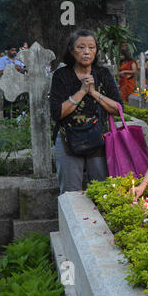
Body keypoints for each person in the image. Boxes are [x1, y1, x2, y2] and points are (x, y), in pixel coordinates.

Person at [50, 29, 123, 195]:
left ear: (96, 50)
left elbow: (118, 109)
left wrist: (93, 92)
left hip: (99, 139)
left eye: (91, 47)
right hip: (68, 138)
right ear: (71, 50)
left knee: (103, 192)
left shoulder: (102, 74)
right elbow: (57, 113)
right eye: (81, 47)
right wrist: (82, 90)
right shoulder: (61, 75)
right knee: (71, 194)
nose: (86, 52)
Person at [0, 45, 26, 118]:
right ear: (8, 51)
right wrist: (13, 68)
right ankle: (7, 120)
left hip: (18, 84)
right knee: (7, 103)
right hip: (7, 84)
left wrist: (20, 70)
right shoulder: (3, 60)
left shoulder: (18, 60)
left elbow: (23, 70)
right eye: (12, 50)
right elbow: (0, 72)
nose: (14, 52)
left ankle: (16, 120)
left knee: (17, 103)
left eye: (15, 50)